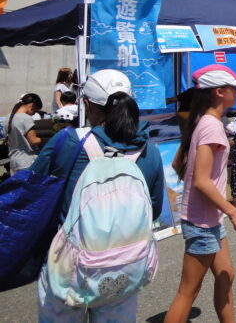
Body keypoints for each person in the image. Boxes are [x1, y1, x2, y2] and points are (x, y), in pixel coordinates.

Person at [30, 69, 165, 321]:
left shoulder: (68, 142)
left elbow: (34, 193)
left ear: (88, 104)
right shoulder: (149, 151)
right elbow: (154, 210)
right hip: (124, 268)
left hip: (67, 269)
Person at [166, 64, 236, 323]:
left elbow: (178, 166)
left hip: (207, 217)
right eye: (234, 87)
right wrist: (232, 210)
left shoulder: (205, 121)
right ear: (219, 92)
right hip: (202, 220)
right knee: (188, 291)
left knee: (227, 274)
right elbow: (202, 181)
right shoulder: (211, 126)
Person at [7, 93, 44, 174]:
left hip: (14, 161)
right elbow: (33, 141)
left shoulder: (8, 117)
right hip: (27, 160)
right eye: (36, 110)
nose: (34, 113)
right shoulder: (26, 118)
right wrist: (48, 139)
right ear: (32, 106)